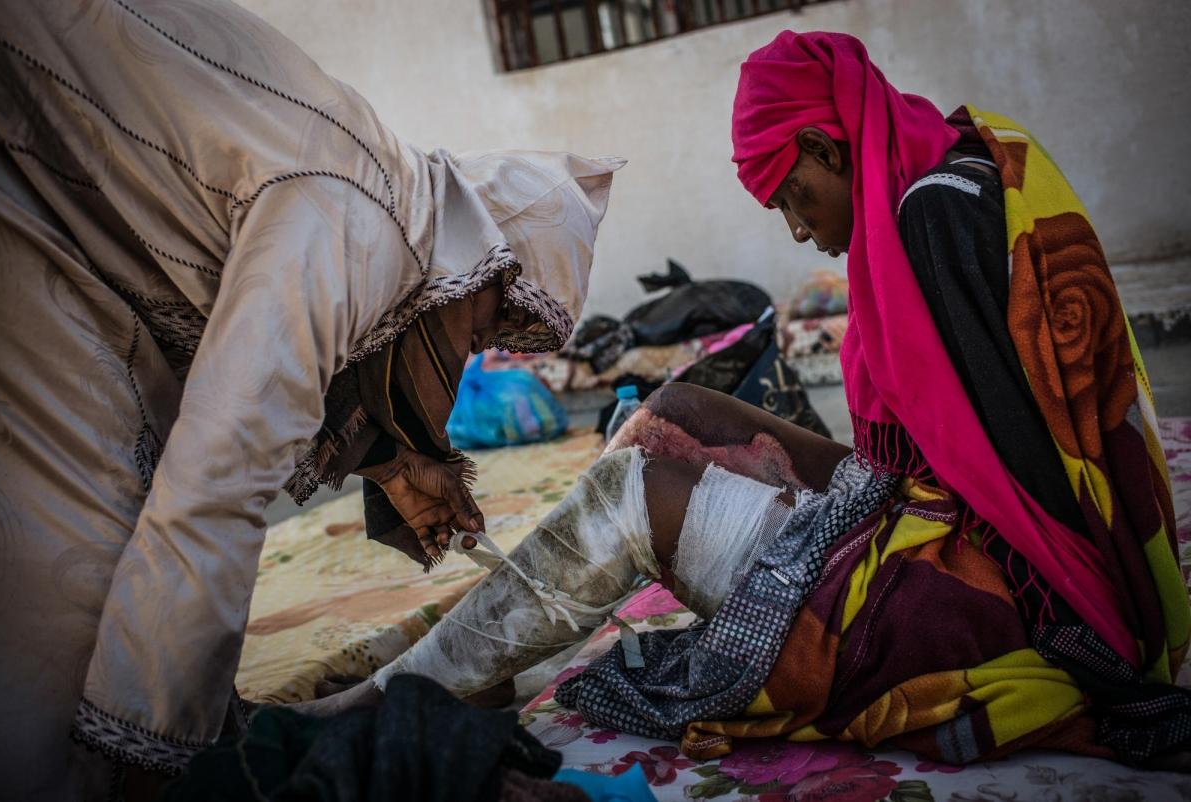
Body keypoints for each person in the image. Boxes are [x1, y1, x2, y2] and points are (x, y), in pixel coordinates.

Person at [306, 30, 1190, 769]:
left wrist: (1088, 654)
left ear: (826, 146)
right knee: (679, 409)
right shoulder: (958, 161)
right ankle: (478, 640)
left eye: (794, 199)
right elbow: (969, 439)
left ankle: (404, 686)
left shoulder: (932, 216)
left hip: (1001, 585)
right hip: (956, 515)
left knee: (630, 495)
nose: (800, 228)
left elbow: (1021, 473)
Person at [0, 0, 622, 797]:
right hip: (27, 191)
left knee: (109, 549)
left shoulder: (388, 219)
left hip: (51, 211)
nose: (469, 360)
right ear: (482, 267)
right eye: (485, 330)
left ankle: (167, 736)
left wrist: (396, 464)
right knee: (75, 610)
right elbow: (220, 477)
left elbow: (300, 377)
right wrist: (160, 756)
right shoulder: (358, 221)